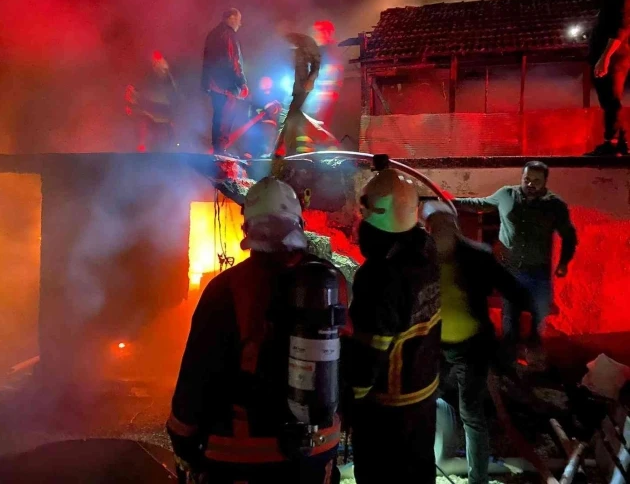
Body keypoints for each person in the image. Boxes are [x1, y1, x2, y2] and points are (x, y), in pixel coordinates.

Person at [167, 177, 346, 484]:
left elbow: (197, 377)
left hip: (244, 456)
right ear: (299, 226)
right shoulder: (333, 284)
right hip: (317, 450)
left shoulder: (225, 289)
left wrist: (182, 439)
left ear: (246, 230)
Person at [342, 167, 442, 484]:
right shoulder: (430, 253)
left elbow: (370, 352)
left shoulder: (379, 276)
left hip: (387, 409)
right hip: (424, 394)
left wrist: (348, 400)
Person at [422, 201, 533, 484]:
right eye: (434, 226)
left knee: (471, 414)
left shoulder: (476, 256)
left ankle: (478, 480)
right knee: (424, 406)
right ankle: (425, 468)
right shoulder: (424, 257)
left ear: (454, 227)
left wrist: (517, 337)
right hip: (436, 346)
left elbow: (516, 291)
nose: (437, 231)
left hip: (471, 347)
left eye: (442, 225)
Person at [453, 161, 577, 351]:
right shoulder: (506, 195)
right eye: (526, 179)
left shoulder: (555, 206)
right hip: (509, 270)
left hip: (538, 271)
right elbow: (480, 204)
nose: (530, 184)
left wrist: (564, 263)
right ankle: (509, 359)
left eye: (536, 180)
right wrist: (451, 200)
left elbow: (569, 236)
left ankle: (534, 353)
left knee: (538, 317)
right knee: (510, 316)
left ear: (545, 181)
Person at [586, 0, 630, 156]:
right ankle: (620, 143)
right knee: (610, 100)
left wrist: (605, 58)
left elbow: (620, 29)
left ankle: (611, 143)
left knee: (611, 100)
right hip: (610, 56)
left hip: (613, 57)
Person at [202, 8, 249, 155]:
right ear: (232, 18)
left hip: (214, 84)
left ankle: (217, 149)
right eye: (239, 19)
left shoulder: (211, 34)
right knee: (227, 116)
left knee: (217, 116)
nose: (240, 24)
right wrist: (242, 82)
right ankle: (221, 152)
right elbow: (233, 60)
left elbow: (206, 61)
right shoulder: (229, 35)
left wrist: (205, 83)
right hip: (227, 85)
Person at [274, 28, 322, 156]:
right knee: (291, 117)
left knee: (292, 117)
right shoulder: (296, 47)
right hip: (297, 88)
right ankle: (285, 149)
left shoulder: (307, 43)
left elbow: (316, 64)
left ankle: (284, 149)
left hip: (304, 86)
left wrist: (310, 80)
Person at [124, 51, 177, 151]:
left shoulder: (168, 79)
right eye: (155, 63)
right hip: (152, 120)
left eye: (160, 63)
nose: (158, 66)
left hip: (163, 122)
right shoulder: (143, 77)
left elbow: (173, 96)